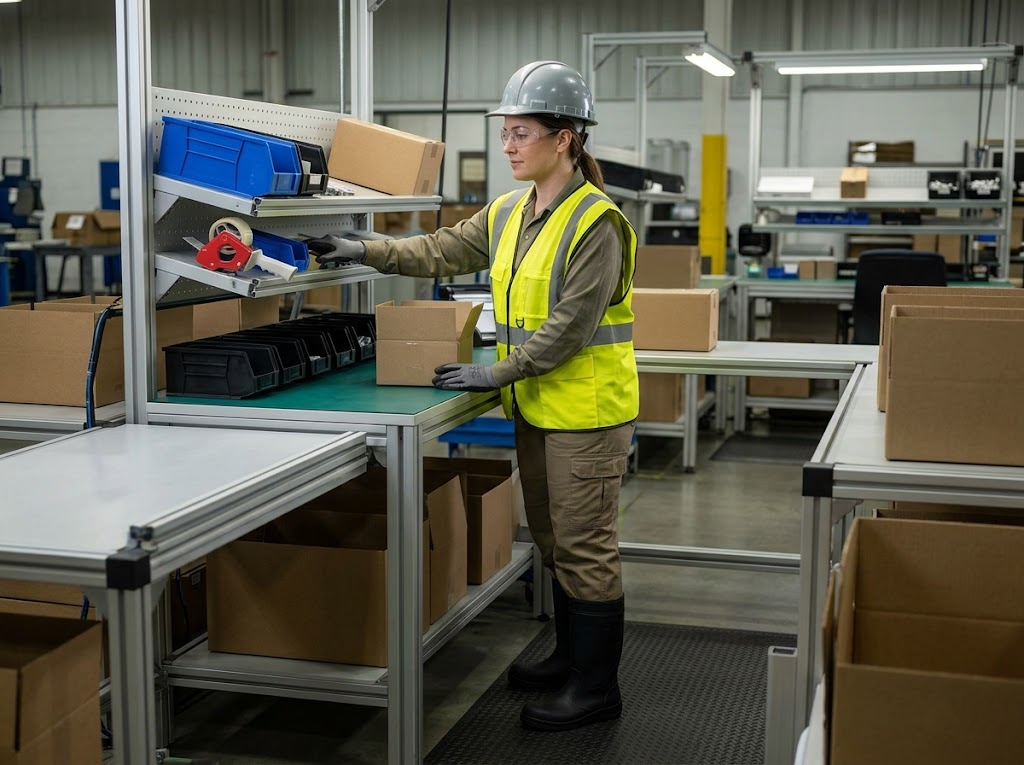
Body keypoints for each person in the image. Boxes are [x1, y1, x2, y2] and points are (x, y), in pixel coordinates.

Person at [307, 60, 638, 732]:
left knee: (584, 544)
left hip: (588, 410)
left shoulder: (596, 221)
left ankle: (597, 687)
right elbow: (439, 249)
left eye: (520, 133)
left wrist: (495, 372)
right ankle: (572, 658)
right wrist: (365, 246)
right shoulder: (511, 211)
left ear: (565, 138)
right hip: (541, 407)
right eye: (506, 133)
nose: (508, 145)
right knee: (551, 536)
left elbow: (570, 326)